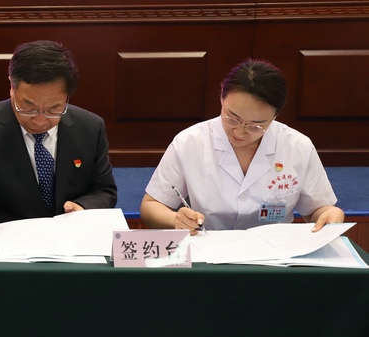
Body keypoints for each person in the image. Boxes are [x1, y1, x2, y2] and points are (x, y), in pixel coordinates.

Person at [140, 59, 345, 233]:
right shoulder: (190, 141)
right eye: (232, 118)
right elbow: (151, 206)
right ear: (221, 98)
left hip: (274, 257)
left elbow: (317, 209)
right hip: (208, 250)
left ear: (276, 116)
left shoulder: (298, 146)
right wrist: (176, 219)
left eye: (255, 126)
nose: (239, 132)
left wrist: (331, 214)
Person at [0, 40, 117, 232]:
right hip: (5, 240)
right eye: (28, 107)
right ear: (12, 86)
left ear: (67, 96)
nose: (40, 120)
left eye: (53, 109)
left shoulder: (90, 128)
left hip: (70, 238)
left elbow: (104, 190)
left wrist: (83, 208)